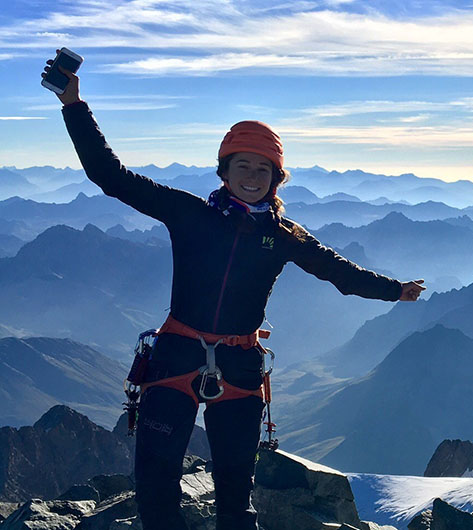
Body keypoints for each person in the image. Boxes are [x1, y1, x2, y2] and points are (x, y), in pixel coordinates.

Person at [43, 52, 425, 530]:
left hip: (232, 366)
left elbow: (339, 273)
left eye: (263, 170)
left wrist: (396, 291)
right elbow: (110, 175)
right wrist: (73, 105)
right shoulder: (190, 213)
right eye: (243, 165)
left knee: (234, 493)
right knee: (157, 484)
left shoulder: (286, 236)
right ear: (224, 170)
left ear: (275, 179)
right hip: (182, 356)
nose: (251, 176)